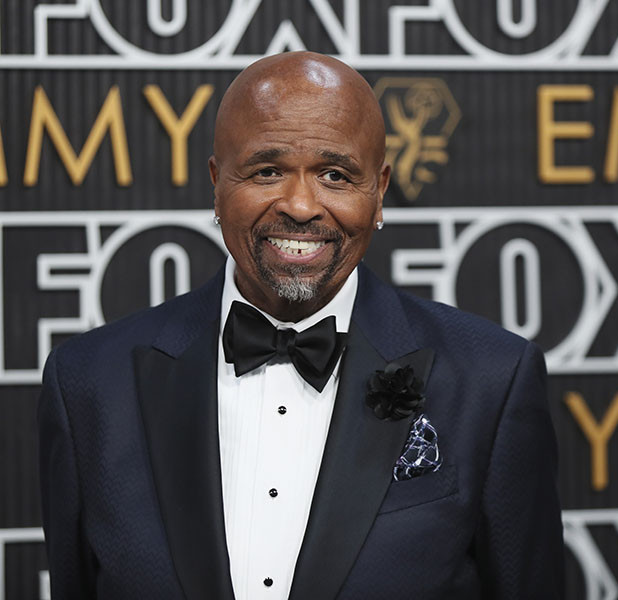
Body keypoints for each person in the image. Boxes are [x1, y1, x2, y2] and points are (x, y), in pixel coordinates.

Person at [38, 51, 564, 599]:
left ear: (379, 191)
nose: (300, 205)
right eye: (267, 171)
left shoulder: (492, 380)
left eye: (335, 175)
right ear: (216, 183)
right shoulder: (88, 385)